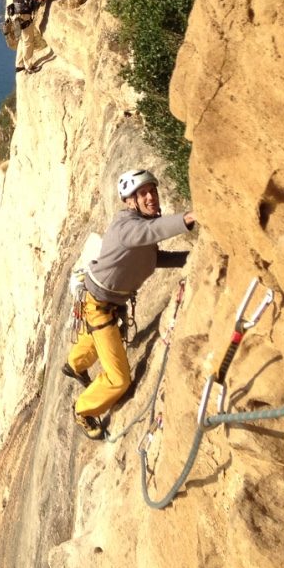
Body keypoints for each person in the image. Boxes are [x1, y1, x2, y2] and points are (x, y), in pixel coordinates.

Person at [65, 169, 196, 440]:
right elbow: (152, 232)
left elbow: (152, 258)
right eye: (143, 193)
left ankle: (74, 365)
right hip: (100, 305)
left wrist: (192, 257)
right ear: (130, 201)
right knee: (119, 380)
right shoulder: (128, 227)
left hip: (103, 303)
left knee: (98, 336)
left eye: (153, 191)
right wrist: (188, 219)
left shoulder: (140, 226)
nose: (151, 197)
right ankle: (82, 410)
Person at [9, 0, 55, 74]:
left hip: (16, 14)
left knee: (23, 39)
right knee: (28, 41)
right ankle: (29, 66)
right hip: (24, 14)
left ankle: (19, 65)